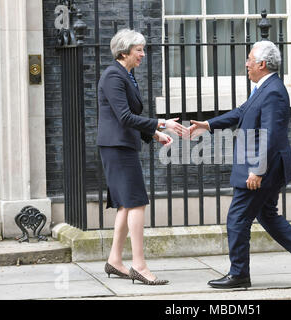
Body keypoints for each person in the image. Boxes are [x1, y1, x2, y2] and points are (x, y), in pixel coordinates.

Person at [190, 40, 291, 289]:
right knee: (267, 215)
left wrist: (257, 170)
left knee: (237, 218)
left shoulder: (273, 91)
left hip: (263, 167)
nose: (246, 64)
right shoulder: (265, 88)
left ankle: (239, 273)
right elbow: (241, 112)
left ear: (262, 64)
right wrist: (207, 125)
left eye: (249, 60)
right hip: (267, 166)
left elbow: (272, 134)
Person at [97, 28, 188, 285]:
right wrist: (161, 123)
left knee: (127, 204)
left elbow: (126, 119)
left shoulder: (125, 75)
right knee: (137, 202)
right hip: (117, 148)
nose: (142, 55)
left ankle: (115, 260)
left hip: (122, 145)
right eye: (139, 50)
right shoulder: (114, 76)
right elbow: (124, 116)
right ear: (124, 51)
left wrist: (155, 134)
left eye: (143, 50)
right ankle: (139, 265)